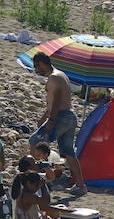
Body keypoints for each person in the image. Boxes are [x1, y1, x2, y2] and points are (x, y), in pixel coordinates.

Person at [30, 51, 86, 195]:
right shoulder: (62, 75)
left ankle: (35, 182)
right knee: (68, 152)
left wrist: (51, 120)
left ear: (42, 63)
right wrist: (44, 117)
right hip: (70, 116)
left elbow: (56, 102)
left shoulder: (53, 78)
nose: (36, 70)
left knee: (35, 141)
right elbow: (58, 100)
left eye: (37, 66)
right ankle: (81, 185)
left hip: (60, 116)